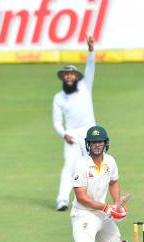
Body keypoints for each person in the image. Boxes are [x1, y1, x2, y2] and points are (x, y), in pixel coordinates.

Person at [65, 126, 131, 242]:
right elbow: (81, 197)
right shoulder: (82, 165)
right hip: (84, 215)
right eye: (93, 142)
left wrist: (117, 205)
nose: (97, 145)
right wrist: (105, 207)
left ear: (105, 143)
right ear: (89, 144)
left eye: (100, 141)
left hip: (102, 214)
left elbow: (114, 182)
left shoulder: (110, 161)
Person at [52, 35, 97, 211]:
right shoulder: (58, 97)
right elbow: (56, 121)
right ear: (63, 78)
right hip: (71, 134)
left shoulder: (86, 86)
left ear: (76, 77)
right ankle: (62, 199)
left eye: (71, 74)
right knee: (70, 166)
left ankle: (90, 200)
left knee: (92, 166)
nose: (69, 77)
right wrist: (64, 134)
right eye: (66, 75)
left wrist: (91, 49)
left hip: (90, 132)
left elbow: (91, 66)